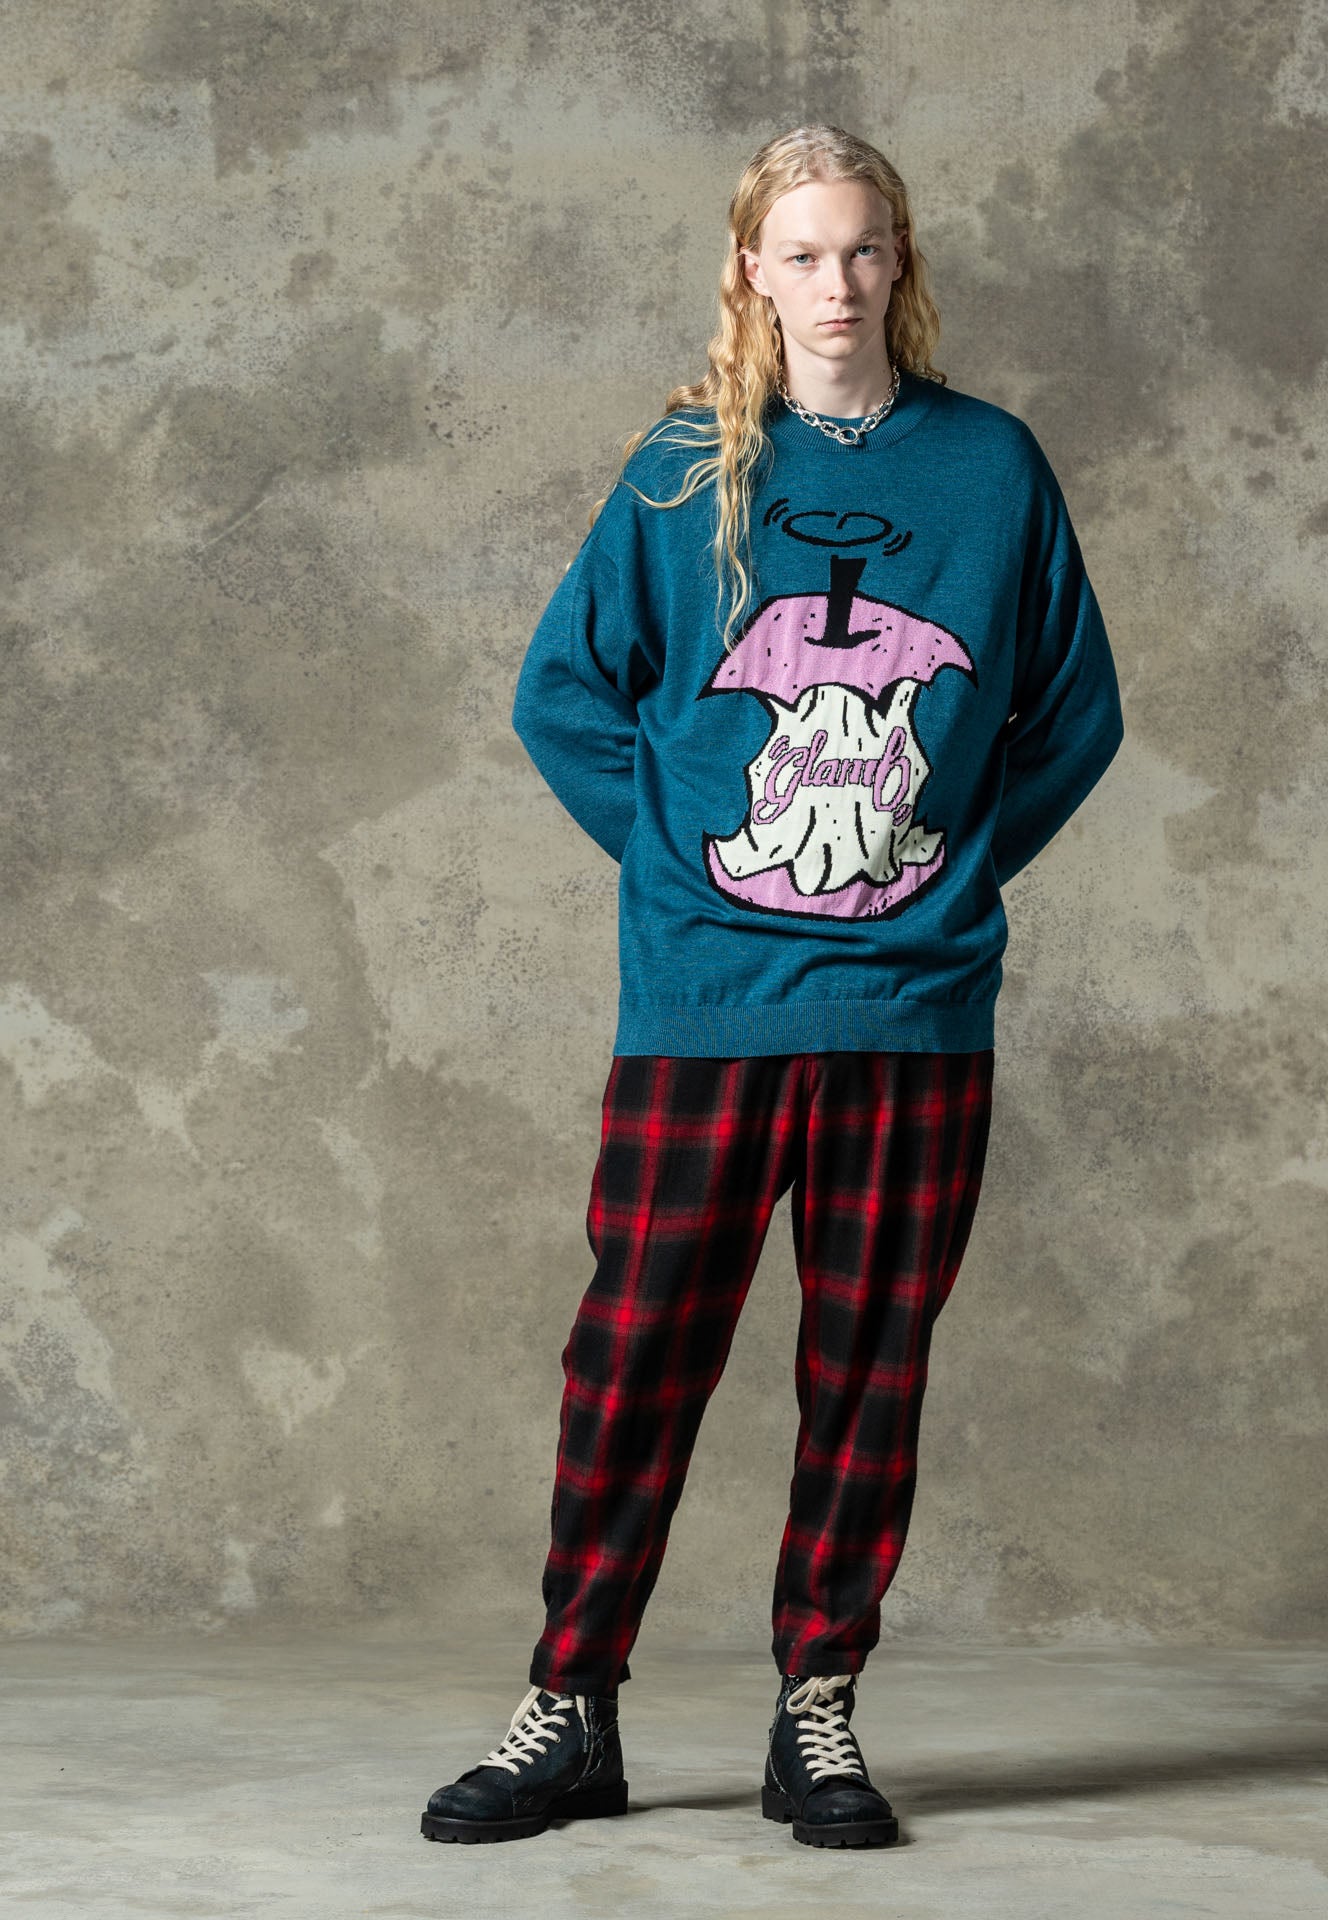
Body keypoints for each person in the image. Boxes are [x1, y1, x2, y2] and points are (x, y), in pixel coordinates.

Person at [420, 122, 1123, 1852]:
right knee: (638, 1352)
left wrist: (944, 861)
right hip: (707, 998)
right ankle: (571, 1703)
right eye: (801, 253)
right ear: (751, 270)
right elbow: (562, 693)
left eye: (863, 248)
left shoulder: (992, 467)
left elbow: (1078, 712)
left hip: (910, 1010)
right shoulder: (685, 470)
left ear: (903, 261)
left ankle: (818, 1706)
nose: (836, 282)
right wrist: (680, 865)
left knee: (870, 1367)